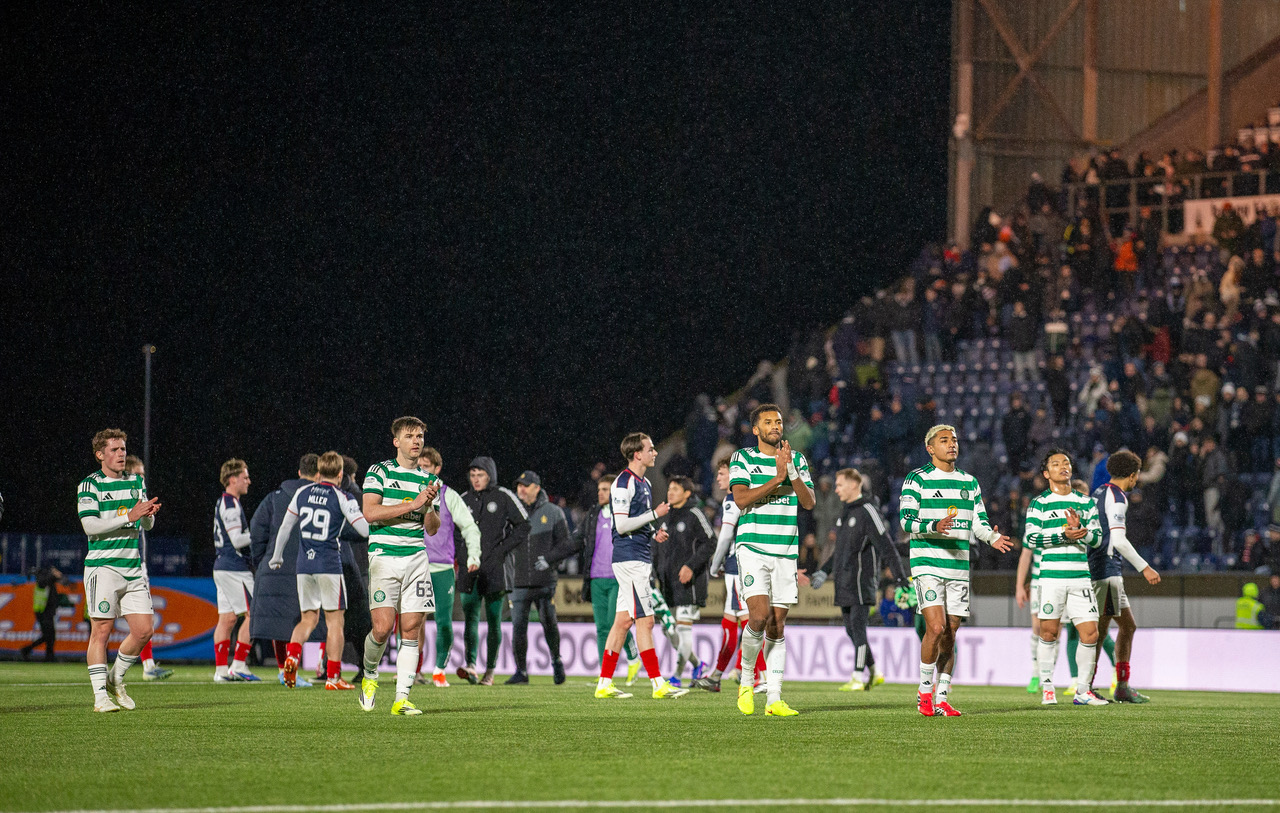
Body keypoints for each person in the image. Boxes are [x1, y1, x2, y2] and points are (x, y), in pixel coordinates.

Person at [899, 424, 1014, 717]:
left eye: (954, 440)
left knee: (950, 632)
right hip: (927, 563)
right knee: (935, 628)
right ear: (930, 448)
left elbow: (979, 521)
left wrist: (992, 537)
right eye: (944, 440)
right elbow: (906, 521)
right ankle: (924, 693)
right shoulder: (917, 479)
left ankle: (942, 696)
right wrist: (932, 527)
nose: (952, 445)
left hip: (959, 566)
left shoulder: (969, 482)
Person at [728, 403, 816, 717]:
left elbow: (808, 502)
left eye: (778, 421)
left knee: (777, 626)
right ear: (756, 429)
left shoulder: (798, 459)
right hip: (752, 547)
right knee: (759, 616)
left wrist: (790, 471)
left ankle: (774, 699)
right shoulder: (743, 458)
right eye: (768, 422)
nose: (775, 426)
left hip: (785, 551)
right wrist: (777, 478)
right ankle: (747, 678)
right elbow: (741, 499)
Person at [593, 432, 687, 700]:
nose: (655, 453)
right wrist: (654, 515)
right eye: (651, 449)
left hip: (638, 556)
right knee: (645, 621)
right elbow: (621, 524)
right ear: (637, 454)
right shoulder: (623, 482)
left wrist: (653, 530)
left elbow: (635, 521)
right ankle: (658, 684)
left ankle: (604, 683)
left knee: (622, 622)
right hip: (630, 559)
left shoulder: (642, 482)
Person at [358, 417, 442, 716]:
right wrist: (413, 503)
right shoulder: (379, 471)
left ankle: (401, 699)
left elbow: (432, 529)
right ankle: (369, 676)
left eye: (420, 436)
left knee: (411, 629)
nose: (416, 441)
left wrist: (429, 505)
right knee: (381, 629)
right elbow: (370, 513)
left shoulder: (430, 480)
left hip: (416, 558)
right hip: (384, 556)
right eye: (409, 436)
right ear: (396, 441)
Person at [78, 428, 161, 712]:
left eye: (123, 449)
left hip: (132, 568)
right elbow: (90, 526)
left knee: (144, 631)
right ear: (100, 455)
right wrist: (129, 514)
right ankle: (101, 697)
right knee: (101, 630)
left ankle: (115, 678)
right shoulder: (90, 486)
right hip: (103, 567)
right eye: (114, 450)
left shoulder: (136, 481)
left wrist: (147, 515)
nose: (121, 454)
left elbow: (144, 526)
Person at [270, 451, 369, 690]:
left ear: (318, 472)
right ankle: (333, 678)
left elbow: (285, 526)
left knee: (308, 619)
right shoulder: (342, 496)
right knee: (335, 621)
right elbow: (364, 531)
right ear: (340, 473)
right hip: (329, 564)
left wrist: (277, 556)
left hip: (304, 565)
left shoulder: (302, 493)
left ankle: (291, 660)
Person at [808, 468, 907, 692]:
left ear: (855, 485)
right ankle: (875, 672)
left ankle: (856, 676)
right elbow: (840, 550)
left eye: (840, 484)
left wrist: (899, 577)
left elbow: (887, 546)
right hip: (844, 580)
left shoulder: (868, 510)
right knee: (851, 630)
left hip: (862, 580)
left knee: (859, 628)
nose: (836, 489)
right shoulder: (846, 512)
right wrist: (824, 571)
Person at [1024, 449, 1108, 707]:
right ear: (1046, 473)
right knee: (1049, 633)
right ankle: (1047, 687)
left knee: (1091, 634)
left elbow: (1098, 539)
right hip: (1050, 579)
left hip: (1080, 578)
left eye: (1067, 462)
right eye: (1056, 463)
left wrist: (1080, 531)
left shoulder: (1086, 503)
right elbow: (1030, 538)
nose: (1064, 466)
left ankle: (1083, 691)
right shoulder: (1039, 504)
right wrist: (1063, 535)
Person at [546, 474, 641, 684]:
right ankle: (604, 675)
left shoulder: (623, 515)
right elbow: (576, 541)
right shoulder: (592, 515)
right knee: (602, 628)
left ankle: (633, 655)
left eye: (605, 489)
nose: (600, 493)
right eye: (599, 489)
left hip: (618, 577)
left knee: (615, 623)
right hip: (596, 578)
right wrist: (551, 556)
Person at [1089, 450, 1162, 703]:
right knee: (1099, 631)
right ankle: (1087, 686)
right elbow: (1118, 540)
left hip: (1100, 568)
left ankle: (1121, 685)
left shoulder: (1098, 492)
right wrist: (1145, 567)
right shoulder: (1118, 498)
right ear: (1132, 476)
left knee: (1126, 626)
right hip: (1107, 569)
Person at [249, 453, 319, 687]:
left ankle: (283, 669)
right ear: (318, 475)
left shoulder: (273, 498)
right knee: (306, 620)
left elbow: (256, 530)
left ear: (299, 472)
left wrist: (262, 561)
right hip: (310, 567)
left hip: (275, 565)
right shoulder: (323, 498)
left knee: (280, 623)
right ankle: (315, 668)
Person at [458, 455, 528, 685]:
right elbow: (453, 530)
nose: (476, 479)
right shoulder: (463, 499)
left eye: (481, 475)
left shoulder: (504, 496)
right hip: (470, 568)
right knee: (470, 617)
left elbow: (524, 525)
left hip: (496, 568)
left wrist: (501, 551)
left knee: (494, 620)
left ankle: (490, 670)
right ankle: (470, 665)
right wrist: (461, 556)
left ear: (490, 475)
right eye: (473, 475)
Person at [414, 447, 480, 688]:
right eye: (419, 465)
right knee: (412, 621)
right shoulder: (409, 489)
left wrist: (474, 555)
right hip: (414, 566)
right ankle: (413, 670)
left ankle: (439, 670)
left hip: (441, 568)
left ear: (437, 469)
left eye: (427, 466)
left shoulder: (448, 495)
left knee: (442, 621)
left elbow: (470, 527)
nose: (422, 469)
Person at [694, 458, 755, 692]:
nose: (718, 478)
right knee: (731, 624)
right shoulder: (745, 498)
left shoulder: (732, 499)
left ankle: (759, 676)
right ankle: (718, 675)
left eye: (721, 474)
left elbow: (726, 536)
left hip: (736, 566)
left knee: (750, 623)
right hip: (737, 565)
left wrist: (713, 565)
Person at [507, 470, 568, 685]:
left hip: (545, 581)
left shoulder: (553, 512)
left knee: (549, 622)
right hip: (518, 581)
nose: (520, 489)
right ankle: (521, 671)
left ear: (536, 487)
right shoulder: (512, 512)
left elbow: (565, 545)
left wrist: (550, 564)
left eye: (525, 485)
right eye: (519, 485)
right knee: (518, 627)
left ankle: (557, 661)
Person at [654, 476, 712, 685]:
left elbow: (710, 541)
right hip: (667, 583)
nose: (670, 492)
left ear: (687, 493)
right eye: (669, 488)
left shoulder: (694, 513)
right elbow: (656, 548)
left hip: (691, 582)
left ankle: (677, 676)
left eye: (676, 489)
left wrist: (690, 565)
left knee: (682, 628)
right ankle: (697, 665)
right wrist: (655, 574)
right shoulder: (664, 516)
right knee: (666, 628)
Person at [123, 455, 172, 681]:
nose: (143, 477)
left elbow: (148, 526)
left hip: (132, 564)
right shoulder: (127, 496)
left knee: (143, 618)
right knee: (103, 625)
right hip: (128, 565)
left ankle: (148, 666)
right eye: (139, 473)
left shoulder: (138, 497)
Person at [211, 458, 259, 682]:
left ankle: (221, 671)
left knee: (227, 619)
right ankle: (239, 664)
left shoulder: (227, 502)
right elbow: (238, 540)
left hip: (223, 565)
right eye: (244, 477)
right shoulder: (230, 504)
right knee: (254, 614)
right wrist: (261, 534)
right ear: (232, 479)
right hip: (234, 568)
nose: (248, 480)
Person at [20, 566, 70, 661]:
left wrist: (59, 575)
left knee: (49, 635)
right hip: (42, 611)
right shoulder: (42, 578)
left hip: (47, 612)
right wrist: (54, 575)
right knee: (48, 635)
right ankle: (29, 650)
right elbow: (43, 583)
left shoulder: (49, 580)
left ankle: (47, 655)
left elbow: (66, 582)